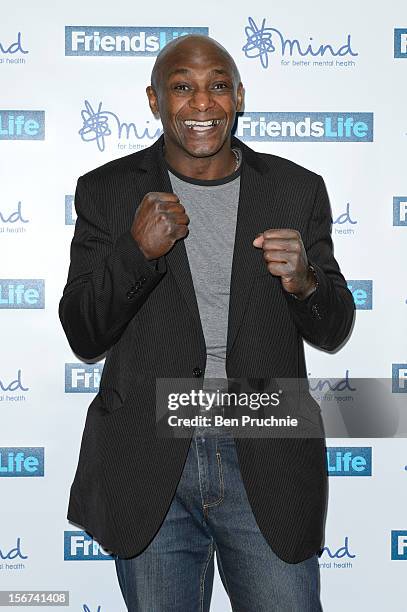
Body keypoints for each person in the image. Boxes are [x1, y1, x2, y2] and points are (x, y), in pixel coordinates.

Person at [59, 34, 355, 612]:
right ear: (154, 100)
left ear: (239, 95)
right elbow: (84, 333)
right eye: (183, 87)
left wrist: (307, 283)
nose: (202, 104)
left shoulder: (297, 189)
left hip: (268, 445)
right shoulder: (107, 191)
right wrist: (134, 253)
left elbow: (334, 328)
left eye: (218, 85)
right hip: (149, 457)